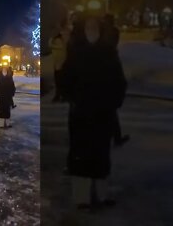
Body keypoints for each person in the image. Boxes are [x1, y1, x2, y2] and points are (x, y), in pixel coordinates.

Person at [61, 16, 127, 210]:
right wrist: (73, 98)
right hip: (81, 112)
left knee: (101, 154)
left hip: (102, 113)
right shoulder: (76, 52)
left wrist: (114, 102)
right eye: (88, 26)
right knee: (81, 154)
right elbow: (66, 79)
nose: (92, 30)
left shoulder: (108, 51)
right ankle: (81, 197)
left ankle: (101, 194)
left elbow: (119, 80)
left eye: (94, 27)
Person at [101, 14, 130, 147]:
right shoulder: (110, 33)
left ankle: (112, 137)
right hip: (108, 84)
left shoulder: (105, 33)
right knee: (110, 113)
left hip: (106, 82)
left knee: (108, 113)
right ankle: (115, 138)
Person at [50, 21, 70, 103]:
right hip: (57, 63)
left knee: (61, 80)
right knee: (58, 80)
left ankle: (62, 96)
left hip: (61, 63)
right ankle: (59, 95)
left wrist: (51, 44)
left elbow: (61, 48)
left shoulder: (59, 39)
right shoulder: (57, 39)